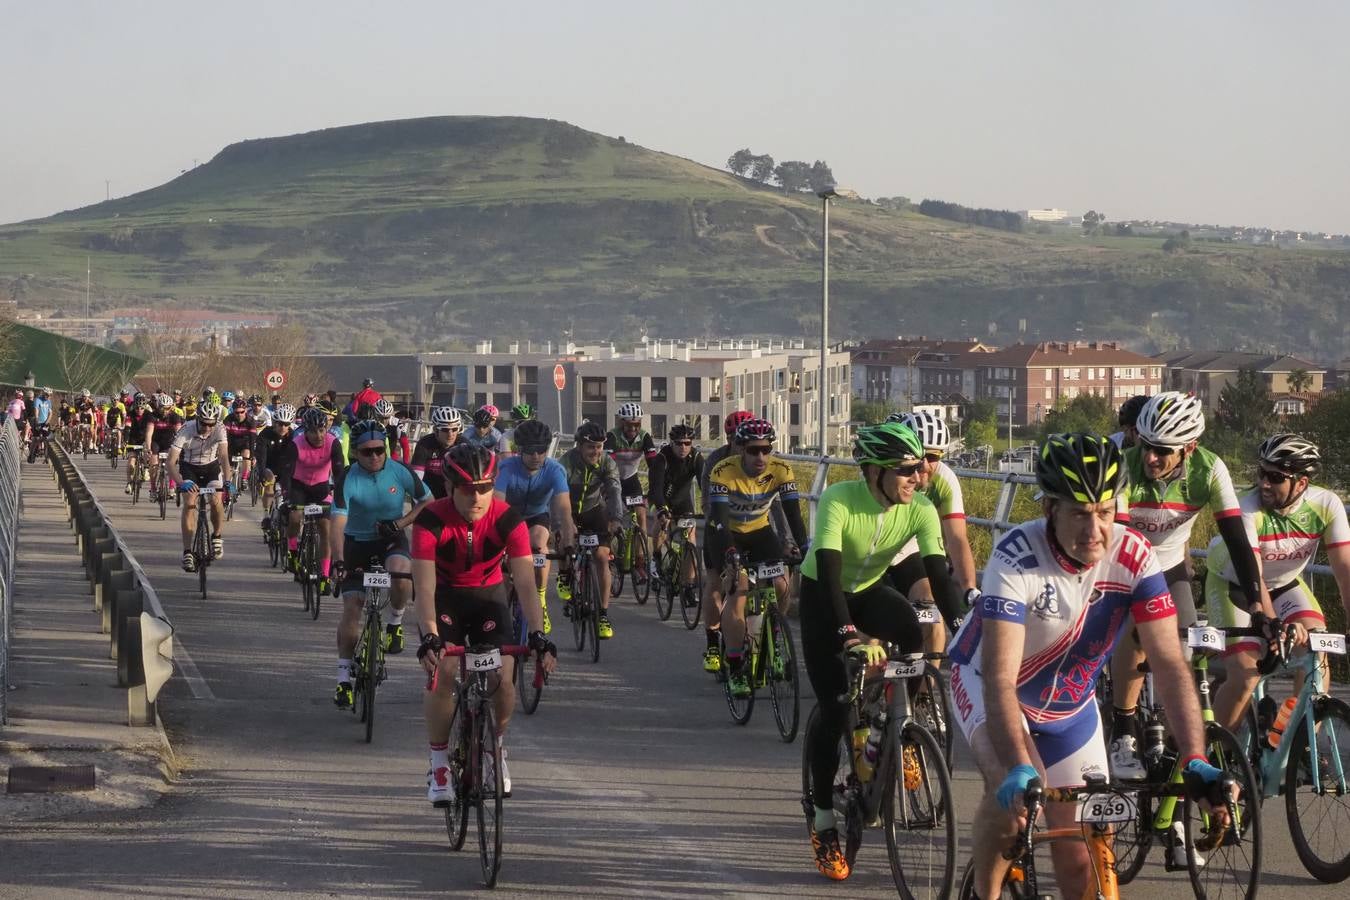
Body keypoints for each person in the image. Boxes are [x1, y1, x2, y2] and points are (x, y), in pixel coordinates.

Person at [949, 433, 1229, 900]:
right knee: (1014, 804)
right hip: (987, 684)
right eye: (1079, 513)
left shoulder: (1134, 556)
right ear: (1050, 510)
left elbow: (1168, 664)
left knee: (1084, 854)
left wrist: (1195, 759)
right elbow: (999, 680)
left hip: (1068, 707)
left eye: (1103, 511)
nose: (1095, 529)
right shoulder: (1017, 557)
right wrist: (1018, 764)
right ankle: (985, 894)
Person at [800, 422, 962, 880]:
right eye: (906, 469)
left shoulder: (921, 509)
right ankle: (824, 819)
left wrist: (966, 630)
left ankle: (895, 728)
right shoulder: (840, 498)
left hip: (870, 589)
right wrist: (851, 635)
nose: (918, 476)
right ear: (873, 472)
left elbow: (939, 574)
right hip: (824, 598)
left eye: (920, 468)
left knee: (913, 631)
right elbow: (830, 575)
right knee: (834, 710)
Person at [1108, 390, 1266, 780]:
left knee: (1180, 648)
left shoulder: (1210, 469)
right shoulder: (1124, 464)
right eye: (1146, 446)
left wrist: (1260, 607)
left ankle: (1173, 734)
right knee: (1138, 628)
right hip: (1123, 562)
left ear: (1189, 448)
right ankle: (1124, 729)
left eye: (1162, 450)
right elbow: (1123, 539)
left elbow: (1237, 541)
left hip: (1171, 564)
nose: (1150, 458)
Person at [414, 443, 557, 804]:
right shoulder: (431, 519)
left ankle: (495, 749)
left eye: (484, 487)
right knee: (443, 669)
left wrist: (538, 635)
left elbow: (525, 584)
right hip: (445, 597)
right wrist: (430, 635)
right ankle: (440, 761)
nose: (476, 496)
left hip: (488, 597)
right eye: (466, 488)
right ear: (449, 488)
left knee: (503, 675)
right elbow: (425, 588)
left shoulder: (509, 519)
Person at [1208, 433, 1346, 732]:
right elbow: (1253, 575)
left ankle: (1292, 743)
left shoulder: (1326, 505)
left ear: (1301, 483)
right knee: (1246, 675)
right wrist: (1273, 624)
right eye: (1261, 473)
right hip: (1236, 586)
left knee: (1316, 655)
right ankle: (1209, 756)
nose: (1264, 483)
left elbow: (1344, 569)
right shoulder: (1247, 509)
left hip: (1285, 583)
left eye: (1275, 477)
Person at [329, 419, 430, 710]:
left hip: (390, 538)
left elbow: (427, 501)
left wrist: (401, 522)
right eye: (367, 452)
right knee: (352, 609)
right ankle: (343, 679)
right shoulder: (348, 478)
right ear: (355, 454)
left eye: (379, 450)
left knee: (401, 575)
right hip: (355, 545)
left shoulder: (400, 470)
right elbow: (337, 523)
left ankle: (395, 623)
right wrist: (337, 560)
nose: (374, 456)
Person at [705, 417, 808, 696]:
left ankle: (774, 631)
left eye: (766, 449)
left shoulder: (781, 470)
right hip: (726, 534)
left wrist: (804, 547)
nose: (760, 456)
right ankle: (736, 664)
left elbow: (793, 516)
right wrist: (729, 554)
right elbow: (719, 520)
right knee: (739, 589)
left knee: (781, 583)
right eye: (753, 450)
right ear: (740, 448)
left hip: (760, 531)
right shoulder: (723, 470)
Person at [885, 410, 978, 644]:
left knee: (931, 618)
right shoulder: (887, 473)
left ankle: (928, 679)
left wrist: (969, 589)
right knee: (874, 634)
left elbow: (957, 538)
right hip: (872, 549)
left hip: (910, 551)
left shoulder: (945, 480)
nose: (925, 465)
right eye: (918, 455)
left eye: (934, 457)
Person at [494, 419, 575, 635]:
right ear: (520, 449)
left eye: (541, 450)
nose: (536, 456)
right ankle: (503, 612)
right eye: (530, 451)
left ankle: (539, 598)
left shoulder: (555, 469)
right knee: (503, 574)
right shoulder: (506, 468)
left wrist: (568, 538)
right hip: (509, 516)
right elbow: (498, 507)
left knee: (539, 545)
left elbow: (564, 508)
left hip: (537, 515)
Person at [557, 421, 628, 638]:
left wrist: (616, 518)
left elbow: (615, 489)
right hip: (568, 508)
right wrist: (558, 524)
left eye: (599, 447)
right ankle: (564, 576)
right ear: (579, 446)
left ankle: (604, 615)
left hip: (594, 509)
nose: (595, 452)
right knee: (565, 541)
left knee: (602, 556)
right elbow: (555, 496)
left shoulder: (607, 462)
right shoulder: (566, 462)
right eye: (591, 447)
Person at [271, 407, 347, 589]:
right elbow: (287, 473)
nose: (318, 435)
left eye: (322, 430)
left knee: (325, 528)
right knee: (295, 517)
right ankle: (292, 551)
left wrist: (341, 497)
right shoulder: (296, 444)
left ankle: (325, 576)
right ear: (305, 430)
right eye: (313, 431)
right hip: (298, 486)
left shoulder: (332, 442)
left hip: (321, 487)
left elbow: (339, 473)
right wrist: (288, 499)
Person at [167, 402, 234, 571]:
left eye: (210, 424)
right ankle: (188, 552)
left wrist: (228, 481)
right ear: (197, 419)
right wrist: (181, 483)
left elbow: (224, 457)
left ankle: (217, 537)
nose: (207, 427)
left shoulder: (220, 428)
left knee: (216, 500)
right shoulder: (186, 429)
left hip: (211, 467)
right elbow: (170, 462)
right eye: (203, 423)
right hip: (189, 468)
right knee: (190, 502)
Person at [604, 402, 664, 587]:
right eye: (629, 425)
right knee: (611, 517)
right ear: (622, 424)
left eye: (636, 425)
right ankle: (607, 553)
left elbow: (653, 465)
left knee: (641, 515)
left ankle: (640, 561)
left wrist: (654, 491)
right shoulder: (612, 436)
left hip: (631, 480)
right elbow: (609, 465)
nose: (633, 429)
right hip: (612, 479)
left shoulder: (645, 437)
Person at [649, 423, 704, 607]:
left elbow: (705, 485)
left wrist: (710, 506)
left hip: (683, 501)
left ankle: (688, 586)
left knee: (690, 541)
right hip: (662, 497)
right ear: (672, 443)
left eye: (687, 443)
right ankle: (656, 557)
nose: (683, 447)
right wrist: (662, 509)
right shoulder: (661, 459)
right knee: (660, 524)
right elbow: (655, 489)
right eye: (679, 443)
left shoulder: (696, 457)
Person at [410, 406, 465, 498]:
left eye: (455, 429)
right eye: (445, 429)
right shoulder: (425, 444)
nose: (450, 434)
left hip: (455, 496)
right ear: (435, 430)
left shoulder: (463, 445)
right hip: (429, 495)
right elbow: (417, 479)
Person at [253, 402, 297, 516]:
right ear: (275, 423)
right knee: (270, 481)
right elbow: (261, 456)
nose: (283, 427)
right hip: (269, 465)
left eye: (286, 424)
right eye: (280, 424)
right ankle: (266, 515)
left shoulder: (293, 436)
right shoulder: (265, 434)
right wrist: (262, 473)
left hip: (286, 467)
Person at [142, 394, 184, 497]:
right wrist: (147, 448)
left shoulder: (175, 416)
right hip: (155, 442)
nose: (164, 410)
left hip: (169, 442)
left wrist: (179, 450)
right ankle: (153, 488)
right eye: (162, 408)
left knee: (171, 464)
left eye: (167, 408)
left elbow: (179, 434)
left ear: (171, 407)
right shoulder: (153, 416)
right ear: (158, 406)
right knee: (154, 465)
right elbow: (149, 433)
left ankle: (171, 487)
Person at [222, 399, 260, 487]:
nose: (239, 415)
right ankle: (229, 488)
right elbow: (224, 436)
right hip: (231, 442)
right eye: (237, 413)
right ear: (233, 412)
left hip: (245, 442)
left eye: (242, 412)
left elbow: (252, 440)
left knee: (246, 453)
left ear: (245, 411)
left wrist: (252, 456)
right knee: (229, 468)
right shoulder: (229, 419)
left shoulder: (251, 421)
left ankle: (244, 478)